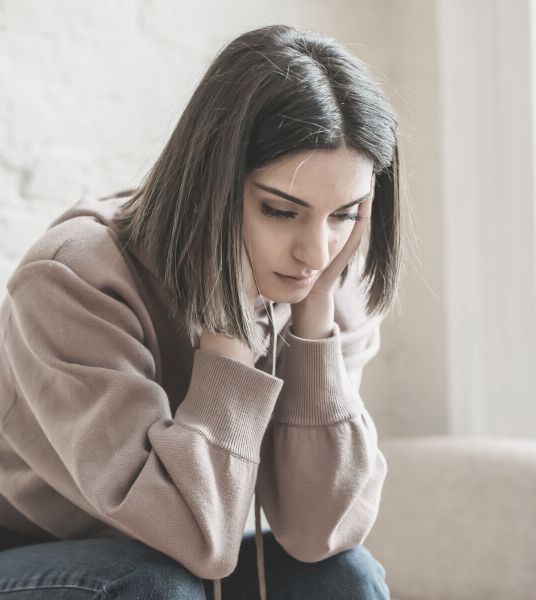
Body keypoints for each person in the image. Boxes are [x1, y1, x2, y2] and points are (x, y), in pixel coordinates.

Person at [0, 23, 412, 600]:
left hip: (186, 557)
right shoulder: (73, 281)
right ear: (210, 183)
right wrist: (231, 337)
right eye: (280, 210)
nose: (316, 253)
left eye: (343, 213)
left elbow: (320, 534)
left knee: (347, 577)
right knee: (154, 585)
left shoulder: (328, 285)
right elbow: (196, 536)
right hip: (30, 552)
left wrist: (315, 328)